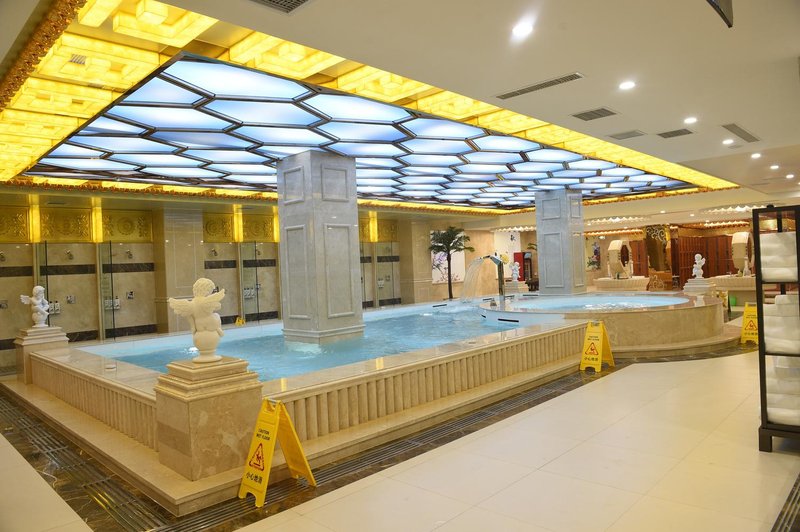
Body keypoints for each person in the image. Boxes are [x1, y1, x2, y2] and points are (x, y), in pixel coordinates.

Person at [168, 278, 225, 363]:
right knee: (216, 315)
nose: (211, 293)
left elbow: (190, 317)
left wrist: (193, 327)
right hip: (211, 324)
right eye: (210, 291)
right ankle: (218, 329)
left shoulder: (192, 303)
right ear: (207, 290)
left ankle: (217, 330)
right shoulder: (205, 301)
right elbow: (217, 307)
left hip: (199, 327)